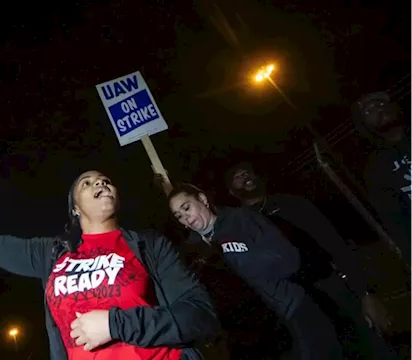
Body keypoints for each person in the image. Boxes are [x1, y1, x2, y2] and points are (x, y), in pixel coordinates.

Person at [0, 167, 218, 360]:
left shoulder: (148, 245)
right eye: (87, 183)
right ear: (74, 208)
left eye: (106, 180)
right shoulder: (51, 254)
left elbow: (200, 314)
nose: (101, 183)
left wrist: (116, 324)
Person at [225, 162, 397, 359]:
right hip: (297, 310)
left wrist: (365, 293)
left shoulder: (293, 204)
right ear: (231, 191)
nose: (244, 175)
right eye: (236, 176)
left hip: (333, 290)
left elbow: (335, 244)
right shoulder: (238, 228)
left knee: (373, 348)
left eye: (247, 171)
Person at [167, 183, 342, 360]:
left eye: (186, 208)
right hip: (258, 338)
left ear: (203, 200)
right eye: (179, 216)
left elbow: (289, 260)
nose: (186, 218)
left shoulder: (241, 219)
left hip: (294, 312)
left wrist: (240, 261)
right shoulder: (193, 253)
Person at [353, 91, 411, 264]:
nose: (378, 110)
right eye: (369, 111)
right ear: (365, 125)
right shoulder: (376, 168)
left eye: (380, 104)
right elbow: (394, 220)